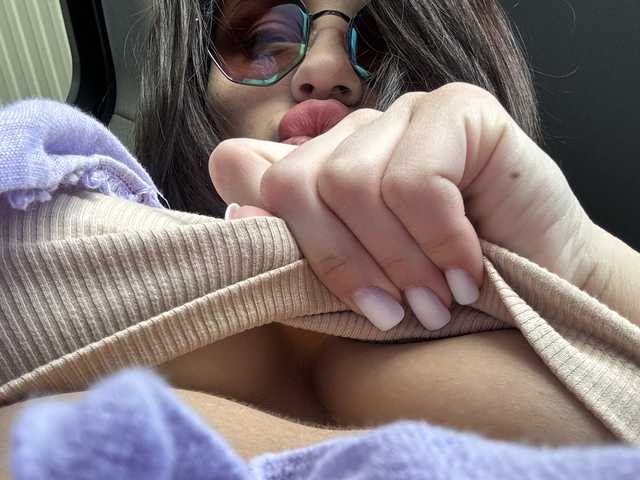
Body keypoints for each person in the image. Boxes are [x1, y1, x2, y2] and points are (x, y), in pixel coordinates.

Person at [2, 1, 639, 471]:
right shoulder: (57, 179)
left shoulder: (554, 278)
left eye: (379, 45)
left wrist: (585, 264)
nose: (326, 70)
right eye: (263, 38)